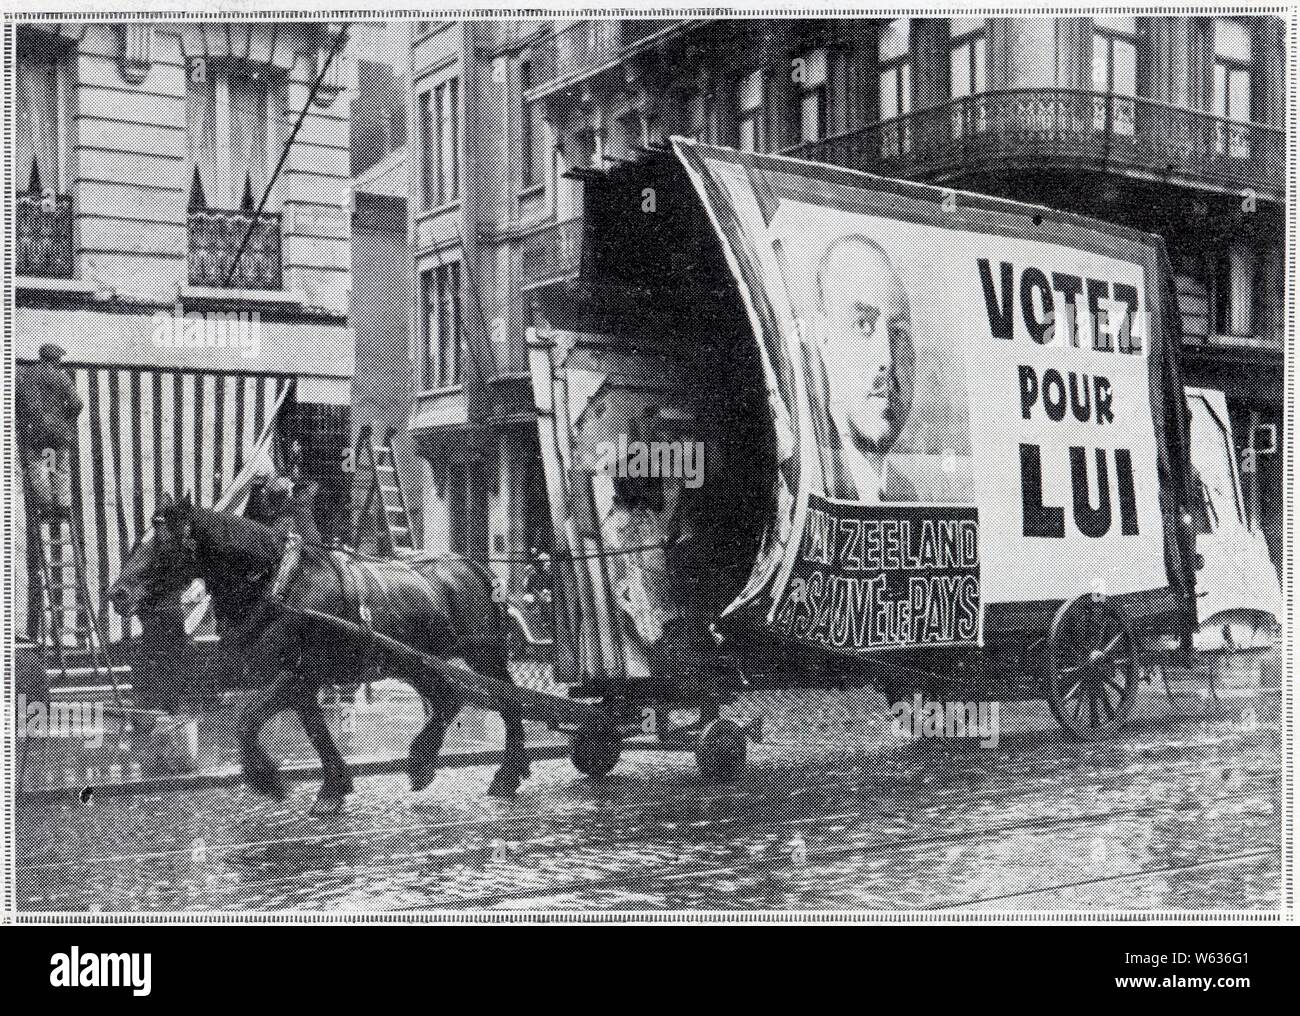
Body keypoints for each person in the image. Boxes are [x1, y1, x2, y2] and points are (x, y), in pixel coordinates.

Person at [807, 234, 917, 503]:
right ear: (823, 338)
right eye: (863, 324)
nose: (886, 359)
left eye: (897, 332)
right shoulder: (802, 476)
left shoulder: (909, 495)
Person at [16, 343, 82, 513]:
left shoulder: (29, 375)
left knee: (39, 465)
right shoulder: (62, 376)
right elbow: (77, 403)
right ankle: (62, 505)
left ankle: (45, 504)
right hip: (58, 432)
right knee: (58, 467)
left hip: (38, 431)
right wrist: (64, 418)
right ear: (55, 359)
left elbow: (27, 404)